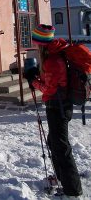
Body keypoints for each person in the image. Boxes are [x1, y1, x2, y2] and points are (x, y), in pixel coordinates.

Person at [25, 24, 82, 197]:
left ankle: (72, 190)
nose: (35, 47)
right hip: (61, 105)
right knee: (54, 142)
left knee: (61, 148)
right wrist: (36, 75)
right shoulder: (56, 55)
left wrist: (33, 80)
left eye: (36, 43)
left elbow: (49, 89)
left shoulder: (52, 61)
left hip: (57, 107)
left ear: (41, 44)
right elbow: (53, 82)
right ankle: (62, 178)